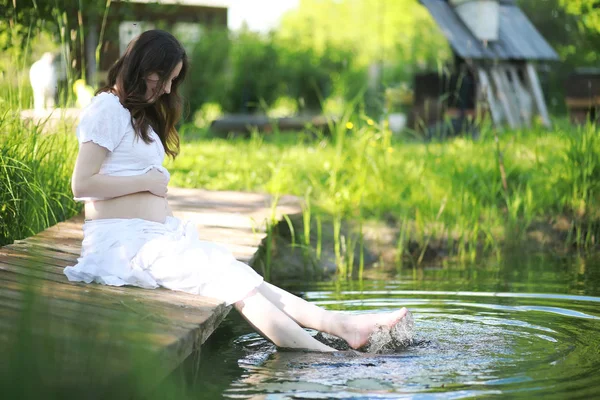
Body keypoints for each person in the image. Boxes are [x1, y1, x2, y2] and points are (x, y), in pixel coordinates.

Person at [64, 29, 408, 352]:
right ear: (143, 67)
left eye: (172, 81)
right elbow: (82, 185)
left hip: (153, 237)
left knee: (242, 276)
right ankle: (326, 359)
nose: (168, 89)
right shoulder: (106, 109)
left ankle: (345, 326)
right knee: (238, 285)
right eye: (165, 78)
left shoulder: (136, 116)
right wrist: (147, 183)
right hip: (122, 246)